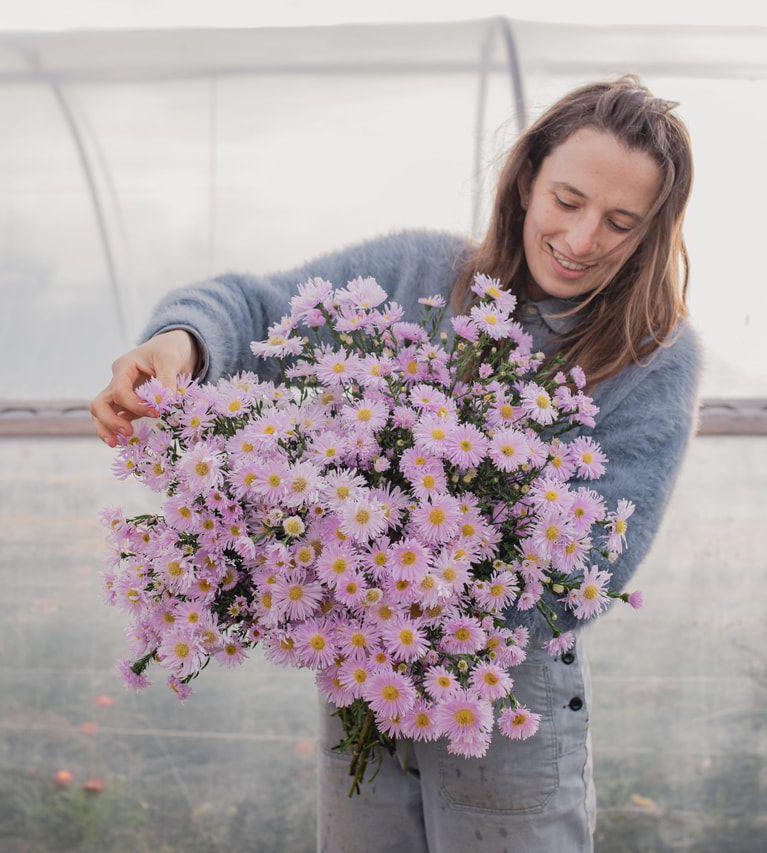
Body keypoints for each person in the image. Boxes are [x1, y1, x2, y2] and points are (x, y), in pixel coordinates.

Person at [90, 75, 700, 853]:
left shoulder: (655, 359)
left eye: (620, 223)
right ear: (525, 181)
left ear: (652, 232)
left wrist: (375, 571)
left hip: (499, 691)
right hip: (366, 684)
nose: (582, 241)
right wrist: (180, 343)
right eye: (568, 200)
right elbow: (256, 308)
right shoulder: (421, 274)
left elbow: (590, 564)